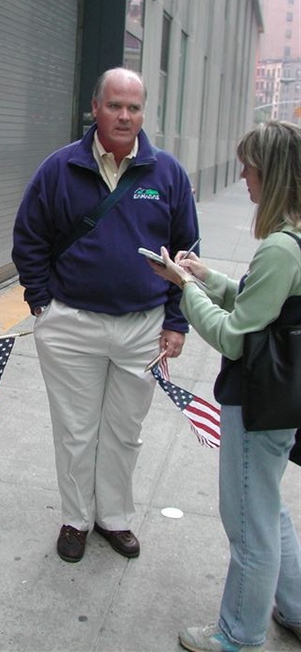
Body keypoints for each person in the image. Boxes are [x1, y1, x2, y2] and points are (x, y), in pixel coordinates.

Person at [11, 67, 199, 563]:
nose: (124, 115)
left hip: (143, 326)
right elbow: (29, 236)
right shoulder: (59, 168)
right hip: (71, 323)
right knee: (75, 429)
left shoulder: (168, 173)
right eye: (114, 105)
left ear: (143, 113)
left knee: (124, 430)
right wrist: (40, 302)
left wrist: (176, 321)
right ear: (95, 108)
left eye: (134, 107)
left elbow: (187, 253)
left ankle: (113, 518)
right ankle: (76, 518)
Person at [146, 121, 301, 652]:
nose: (243, 176)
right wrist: (209, 278)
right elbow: (266, 307)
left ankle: (238, 633)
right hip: (282, 399)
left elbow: (235, 337)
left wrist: (186, 288)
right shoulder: (296, 238)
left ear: (273, 173)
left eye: (250, 167)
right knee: (267, 507)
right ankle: (296, 608)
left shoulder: (282, 247)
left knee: (247, 520)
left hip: (258, 400)